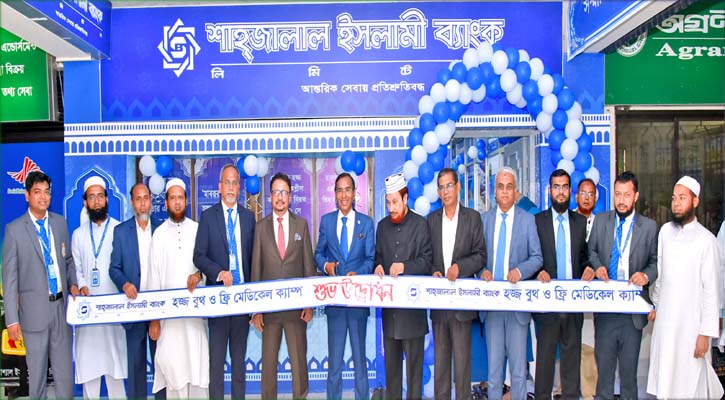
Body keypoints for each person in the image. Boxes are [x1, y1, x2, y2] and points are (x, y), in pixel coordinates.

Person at [1, 170, 80, 399]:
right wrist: (12, 320)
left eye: (47, 192)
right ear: (27, 195)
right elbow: (10, 278)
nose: (43, 197)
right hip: (33, 313)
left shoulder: (60, 223)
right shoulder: (15, 230)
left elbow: (68, 261)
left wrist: (73, 284)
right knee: (36, 379)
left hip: (61, 309)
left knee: (65, 377)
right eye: (37, 192)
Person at [647, 176, 724, 399]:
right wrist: (655, 305)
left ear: (695, 201)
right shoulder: (665, 232)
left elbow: (712, 292)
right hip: (665, 325)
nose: (676, 203)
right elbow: (661, 276)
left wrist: (705, 334)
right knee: (666, 382)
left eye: (682, 198)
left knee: (690, 385)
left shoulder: (706, 241)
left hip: (691, 328)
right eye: (674, 198)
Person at [588, 171, 657, 400]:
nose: (621, 200)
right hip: (606, 311)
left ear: (636, 196)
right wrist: (597, 266)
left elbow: (656, 263)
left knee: (629, 379)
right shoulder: (600, 221)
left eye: (627, 195)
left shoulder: (649, 227)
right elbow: (591, 251)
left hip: (632, 313)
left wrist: (646, 276)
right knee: (604, 378)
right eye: (617, 194)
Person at [251, 172, 317, 400]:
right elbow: (256, 269)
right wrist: (256, 309)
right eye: (276, 192)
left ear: (290, 196)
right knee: (268, 365)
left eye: (284, 192)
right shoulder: (260, 228)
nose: (280, 197)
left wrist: (309, 304)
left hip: (296, 309)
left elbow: (308, 266)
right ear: (270, 196)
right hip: (268, 310)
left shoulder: (301, 225)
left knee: (299, 363)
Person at [193, 164, 256, 400]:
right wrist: (218, 272)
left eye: (234, 183)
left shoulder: (249, 218)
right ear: (219, 187)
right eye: (227, 182)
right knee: (216, 365)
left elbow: (254, 258)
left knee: (239, 365)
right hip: (218, 301)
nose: (231, 187)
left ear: (240, 188)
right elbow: (199, 256)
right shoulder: (208, 217)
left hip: (241, 302)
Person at [479, 166, 542, 400]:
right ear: (494, 192)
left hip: (517, 307)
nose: (505, 191)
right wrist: (482, 271)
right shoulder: (483, 220)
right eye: (500, 187)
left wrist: (519, 271)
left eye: (509, 187)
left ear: (516, 191)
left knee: (518, 373)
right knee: (494, 374)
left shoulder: (528, 220)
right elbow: (477, 256)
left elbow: (537, 257)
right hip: (492, 307)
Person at [533, 169, 593, 400]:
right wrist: (537, 272)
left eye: (565, 187)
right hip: (546, 306)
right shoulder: (538, 221)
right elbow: (532, 257)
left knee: (571, 364)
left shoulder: (580, 222)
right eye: (556, 187)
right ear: (550, 190)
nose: (560, 192)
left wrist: (589, 267)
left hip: (573, 305)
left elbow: (585, 257)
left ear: (570, 191)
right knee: (545, 364)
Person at [315, 172, 375, 400]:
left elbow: (371, 259)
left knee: (360, 361)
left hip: (358, 303)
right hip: (336, 305)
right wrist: (326, 266)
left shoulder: (366, 223)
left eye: (347, 190)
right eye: (339, 190)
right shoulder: (327, 222)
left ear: (355, 193)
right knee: (335, 363)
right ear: (334, 194)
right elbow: (318, 254)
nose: (343, 195)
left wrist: (358, 274)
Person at [147, 178, 209, 398]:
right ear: (166, 203)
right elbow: (153, 279)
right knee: (174, 370)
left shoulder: (197, 229)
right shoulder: (159, 234)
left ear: (186, 201)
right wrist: (154, 319)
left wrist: (198, 275)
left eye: (180, 198)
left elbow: (206, 267)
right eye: (172, 198)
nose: (177, 202)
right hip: (169, 320)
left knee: (197, 367)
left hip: (193, 315)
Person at [427, 168, 486, 400]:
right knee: (441, 368)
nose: (445, 191)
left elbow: (480, 256)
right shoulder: (431, 220)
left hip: (462, 304)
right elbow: (426, 257)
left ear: (458, 187)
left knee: (462, 367)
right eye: (441, 187)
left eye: (449, 186)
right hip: (439, 305)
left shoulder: (473, 218)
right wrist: (432, 270)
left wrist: (459, 268)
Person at [374, 172, 432, 400]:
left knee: (414, 377)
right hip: (390, 314)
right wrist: (378, 267)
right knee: (392, 376)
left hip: (413, 314)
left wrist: (405, 267)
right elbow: (378, 258)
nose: (391, 208)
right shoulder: (382, 227)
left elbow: (426, 261)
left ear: (405, 199)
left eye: (395, 202)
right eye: (388, 203)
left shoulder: (420, 224)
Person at [71, 176, 127, 399]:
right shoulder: (78, 235)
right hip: (89, 313)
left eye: (100, 196)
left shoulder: (119, 230)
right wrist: (83, 285)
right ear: (85, 202)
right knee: (90, 371)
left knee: (115, 371)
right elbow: (76, 269)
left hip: (114, 311)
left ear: (107, 199)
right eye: (92, 197)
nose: (96, 202)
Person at [109, 182, 164, 400]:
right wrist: (124, 284)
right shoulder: (121, 232)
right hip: (133, 309)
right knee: (135, 367)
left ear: (151, 201)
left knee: (162, 366)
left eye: (146, 198)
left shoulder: (162, 229)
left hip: (158, 310)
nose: (142, 204)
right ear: (132, 203)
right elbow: (114, 268)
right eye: (138, 199)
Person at [574, 177, 598, 399]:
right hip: (570, 295)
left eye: (591, 194)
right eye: (583, 193)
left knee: (588, 346)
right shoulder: (567, 221)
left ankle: (589, 394)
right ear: (576, 196)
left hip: (595, 295)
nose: (587, 198)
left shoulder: (602, 224)